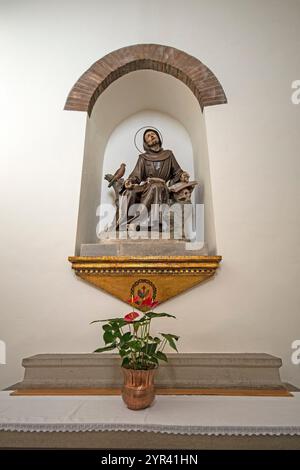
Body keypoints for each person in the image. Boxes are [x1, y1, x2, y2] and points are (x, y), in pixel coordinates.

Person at [118, 128, 190, 231]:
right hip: (147, 185)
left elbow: (177, 172)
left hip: (161, 187)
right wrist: (130, 181)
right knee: (130, 192)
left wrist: (183, 175)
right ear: (146, 143)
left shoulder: (169, 154)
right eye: (148, 136)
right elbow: (136, 174)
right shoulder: (143, 157)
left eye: (153, 134)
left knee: (156, 186)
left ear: (158, 137)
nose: (151, 136)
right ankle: (125, 223)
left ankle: (137, 221)